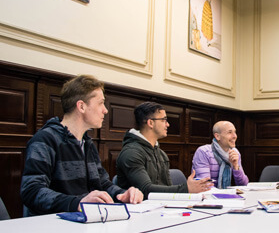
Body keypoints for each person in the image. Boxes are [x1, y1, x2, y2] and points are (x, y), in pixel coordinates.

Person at [21, 75, 143, 216]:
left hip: (84, 222)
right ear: (81, 106)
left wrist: (123, 195)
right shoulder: (45, 140)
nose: (105, 110)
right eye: (100, 103)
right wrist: (78, 203)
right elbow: (31, 191)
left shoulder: (87, 144)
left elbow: (102, 184)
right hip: (51, 228)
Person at [116, 102, 213, 198]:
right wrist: (186, 189)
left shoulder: (161, 154)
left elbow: (167, 189)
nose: (168, 124)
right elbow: (145, 190)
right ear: (151, 123)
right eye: (163, 120)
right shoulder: (131, 152)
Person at [192, 121, 249, 189]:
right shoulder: (203, 152)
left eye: (235, 132)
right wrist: (223, 195)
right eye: (230, 132)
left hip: (226, 196)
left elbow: (243, 185)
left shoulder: (235, 152)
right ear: (217, 136)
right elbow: (205, 185)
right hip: (206, 197)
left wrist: (236, 167)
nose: (235, 136)